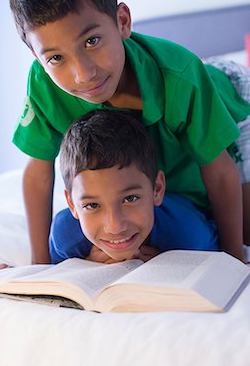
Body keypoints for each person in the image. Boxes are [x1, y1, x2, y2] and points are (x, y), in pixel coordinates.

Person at [10, 0, 250, 264]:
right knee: (68, 237)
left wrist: (232, 258)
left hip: (232, 99)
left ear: (122, 21)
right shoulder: (45, 84)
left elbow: (219, 171)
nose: (83, 74)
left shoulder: (180, 78)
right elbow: (38, 173)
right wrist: (38, 267)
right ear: (38, 58)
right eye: (56, 57)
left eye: (92, 41)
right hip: (144, 164)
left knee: (247, 231)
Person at [49, 110, 219, 264]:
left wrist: (168, 262)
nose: (115, 227)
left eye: (130, 198)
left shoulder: (191, 237)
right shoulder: (65, 236)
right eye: (92, 205)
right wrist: (86, 264)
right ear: (72, 205)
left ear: (157, 189)